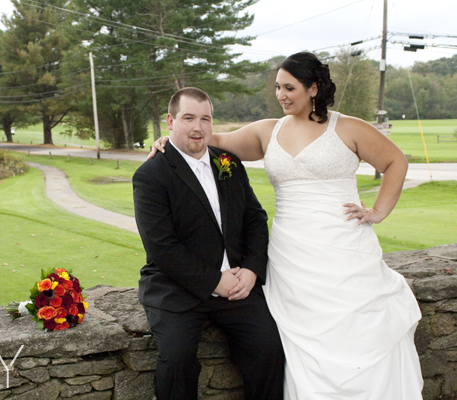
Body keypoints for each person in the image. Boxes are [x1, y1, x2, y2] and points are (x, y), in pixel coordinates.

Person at [150, 53, 424, 399]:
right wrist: (167, 140)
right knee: (299, 338)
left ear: (313, 88)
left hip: (343, 250)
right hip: (292, 254)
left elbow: (395, 160)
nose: (281, 94)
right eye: (278, 87)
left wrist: (379, 211)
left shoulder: (349, 128)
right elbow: (211, 137)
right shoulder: (268, 131)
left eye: (290, 87)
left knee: (356, 331)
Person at [133, 87, 285, 400]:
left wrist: (253, 270)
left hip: (238, 286)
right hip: (177, 288)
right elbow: (162, 248)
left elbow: (255, 220)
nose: (198, 127)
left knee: (270, 345)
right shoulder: (151, 175)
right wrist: (215, 281)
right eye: (189, 118)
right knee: (176, 358)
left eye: (205, 119)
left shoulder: (229, 163)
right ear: (170, 121)